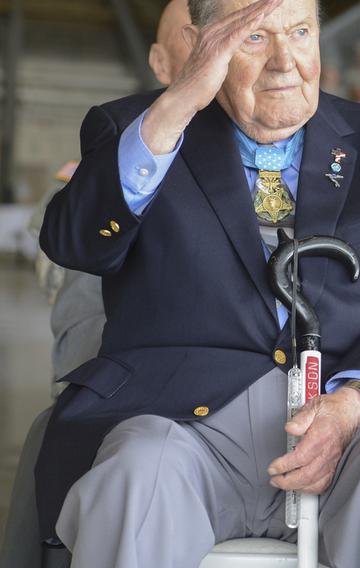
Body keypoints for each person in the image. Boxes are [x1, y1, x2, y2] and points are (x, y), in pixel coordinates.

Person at [36, 1, 360, 568]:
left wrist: (355, 402)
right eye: (255, 38)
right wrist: (175, 109)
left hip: (347, 429)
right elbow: (75, 243)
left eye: (299, 32)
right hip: (184, 432)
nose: (285, 62)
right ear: (201, 46)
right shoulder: (140, 131)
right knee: (134, 472)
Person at [0, 4, 194, 567]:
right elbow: (80, 286)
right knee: (60, 433)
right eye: (193, 34)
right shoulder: (120, 155)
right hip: (141, 392)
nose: (216, 46)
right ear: (158, 60)